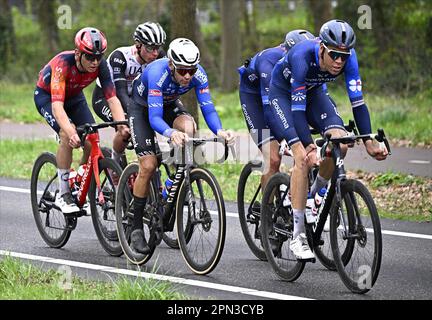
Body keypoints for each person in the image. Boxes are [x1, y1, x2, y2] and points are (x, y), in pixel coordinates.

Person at [267, 19, 388, 260]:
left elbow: (358, 103)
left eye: (344, 56)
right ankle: (298, 236)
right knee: (302, 158)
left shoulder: (348, 59)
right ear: (322, 47)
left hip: (315, 95)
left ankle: (312, 195)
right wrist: (308, 145)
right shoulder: (302, 57)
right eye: (334, 55)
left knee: (340, 143)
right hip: (283, 97)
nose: (339, 62)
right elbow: (298, 112)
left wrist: (369, 141)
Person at [128, 38, 235, 254]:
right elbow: (155, 117)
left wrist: (220, 131)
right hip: (142, 108)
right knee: (148, 165)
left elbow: (208, 108)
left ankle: (173, 180)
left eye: (191, 70)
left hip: (168, 103)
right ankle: (135, 226)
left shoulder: (198, 75)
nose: (188, 76)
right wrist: (170, 133)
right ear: (171, 65)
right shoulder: (158, 74)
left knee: (189, 127)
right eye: (183, 71)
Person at [34, 27, 129, 214]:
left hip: (75, 97)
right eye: (89, 57)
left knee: (92, 137)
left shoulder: (101, 65)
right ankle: (63, 194)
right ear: (78, 53)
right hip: (48, 97)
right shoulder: (63, 63)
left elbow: (112, 98)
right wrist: (70, 132)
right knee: (66, 135)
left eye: (98, 57)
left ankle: (79, 179)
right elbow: (57, 107)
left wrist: (122, 126)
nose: (95, 62)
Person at [238, 29, 315, 190]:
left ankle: (295, 197)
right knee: (273, 158)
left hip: (281, 94)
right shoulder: (270, 62)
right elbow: (271, 110)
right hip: (255, 99)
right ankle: (267, 208)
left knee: (304, 151)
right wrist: (288, 138)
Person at [92, 22, 166, 166]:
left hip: (134, 99)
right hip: (106, 99)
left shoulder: (159, 57)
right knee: (125, 129)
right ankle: (114, 165)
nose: (155, 53)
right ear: (138, 45)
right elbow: (120, 92)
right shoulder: (120, 57)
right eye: (150, 48)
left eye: (158, 48)